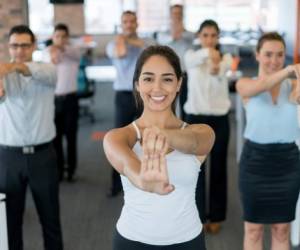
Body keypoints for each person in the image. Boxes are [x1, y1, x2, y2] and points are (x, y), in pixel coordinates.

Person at [103, 45, 215, 250]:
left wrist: (161, 134)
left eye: (167, 78)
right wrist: (146, 183)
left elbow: (195, 143)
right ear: (137, 84)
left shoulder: (202, 131)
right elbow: (129, 167)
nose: (157, 88)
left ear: (179, 83)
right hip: (131, 241)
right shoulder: (118, 137)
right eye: (148, 78)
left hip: (187, 241)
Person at [0, 25, 63, 250]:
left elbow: (28, 70)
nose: (20, 50)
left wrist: (8, 67)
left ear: (34, 46)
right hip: (9, 158)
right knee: (10, 224)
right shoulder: (2, 75)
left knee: (50, 221)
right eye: (15, 45)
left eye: (25, 45)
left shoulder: (47, 70)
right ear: (9, 46)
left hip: (42, 157)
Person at [236, 32, 300, 250]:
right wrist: (289, 71)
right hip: (255, 162)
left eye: (280, 55)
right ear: (257, 55)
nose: (274, 60)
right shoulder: (245, 84)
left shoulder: (292, 86)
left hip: (288, 162)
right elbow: (260, 86)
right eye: (268, 54)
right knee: (253, 230)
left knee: (282, 230)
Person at [184, 19, 232, 233]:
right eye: (205, 35)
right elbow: (191, 62)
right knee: (196, 169)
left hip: (220, 119)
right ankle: (198, 217)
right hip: (195, 118)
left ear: (218, 37)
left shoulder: (227, 58)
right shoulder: (191, 56)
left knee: (219, 169)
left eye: (214, 35)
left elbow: (217, 72)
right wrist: (208, 53)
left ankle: (216, 216)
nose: (210, 39)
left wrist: (215, 61)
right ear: (199, 36)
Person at [106, 11, 153, 197]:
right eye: (125, 21)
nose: (129, 24)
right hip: (124, 96)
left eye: (132, 21)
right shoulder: (113, 44)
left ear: (137, 23)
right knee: (119, 140)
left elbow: (153, 51)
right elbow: (121, 52)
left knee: (147, 138)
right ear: (121, 24)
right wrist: (122, 39)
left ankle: (147, 177)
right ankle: (116, 184)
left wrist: (132, 41)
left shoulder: (145, 42)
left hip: (144, 96)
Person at [47, 23, 81, 182]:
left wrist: (58, 49)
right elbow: (51, 60)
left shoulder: (73, 52)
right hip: (53, 101)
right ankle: (59, 170)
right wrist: (52, 51)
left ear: (67, 38)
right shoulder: (47, 54)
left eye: (63, 36)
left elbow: (66, 51)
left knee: (71, 137)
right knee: (56, 139)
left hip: (70, 100)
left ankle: (71, 171)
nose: (60, 39)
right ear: (53, 37)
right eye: (57, 36)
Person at [156, 4, 194, 120]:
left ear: (183, 16)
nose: (176, 16)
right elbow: (172, 36)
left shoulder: (189, 35)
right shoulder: (162, 35)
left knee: (185, 104)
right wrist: (176, 32)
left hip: (185, 75)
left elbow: (186, 36)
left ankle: (184, 131)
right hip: (167, 76)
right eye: (174, 14)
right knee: (167, 103)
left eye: (179, 14)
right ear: (170, 16)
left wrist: (180, 31)